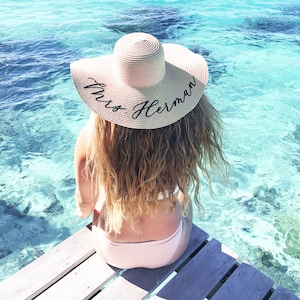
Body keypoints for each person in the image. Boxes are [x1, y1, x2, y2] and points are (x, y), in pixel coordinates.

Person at [71, 32, 228, 269]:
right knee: (183, 197)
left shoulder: (91, 137)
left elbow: (84, 205)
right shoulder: (184, 133)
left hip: (112, 249)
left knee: (109, 192)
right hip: (168, 247)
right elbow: (183, 188)